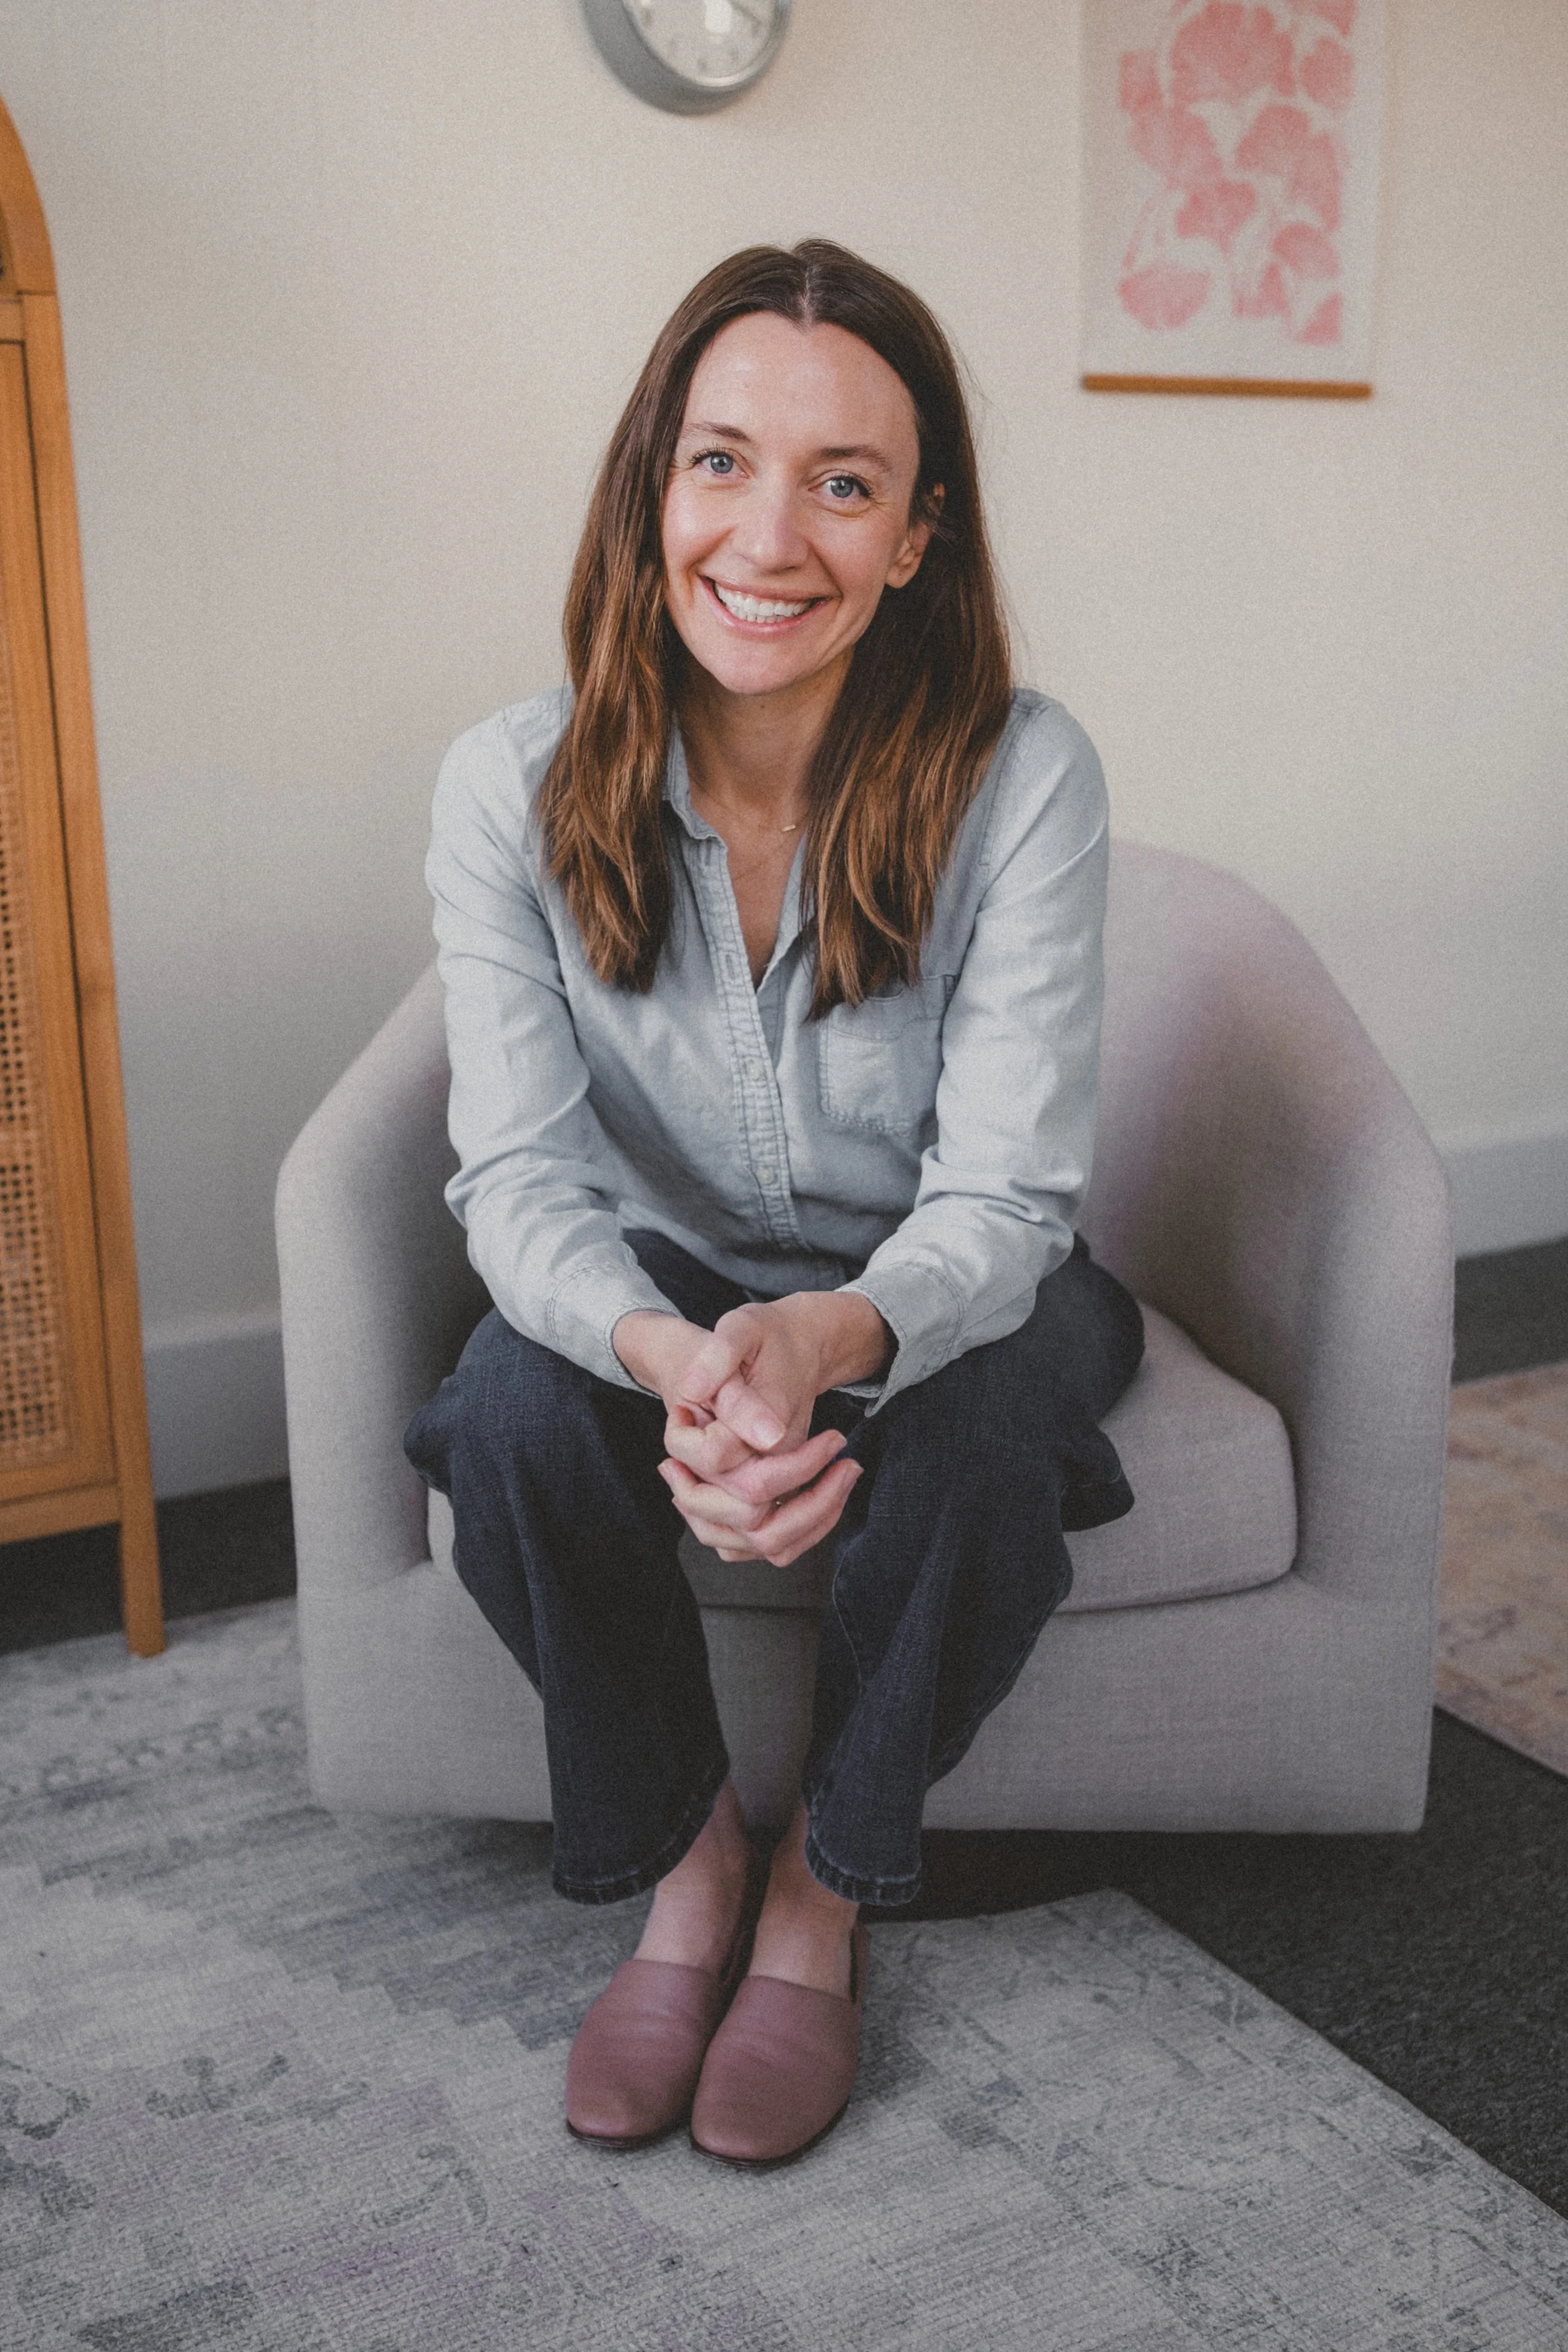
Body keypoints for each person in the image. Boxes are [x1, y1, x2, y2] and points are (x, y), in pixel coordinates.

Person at [405, 239, 1145, 2169]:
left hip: (952, 1288)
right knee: (498, 1403)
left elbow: (1005, 1189)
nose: (771, 531)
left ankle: (819, 1894)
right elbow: (518, 1176)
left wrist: (831, 1338)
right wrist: (670, 1356)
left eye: (843, 480)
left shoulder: (1020, 775)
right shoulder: (509, 785)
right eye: (722, 460)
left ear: (914, 535)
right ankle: (685, 1872)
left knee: (986, 1430)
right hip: (661, 1284)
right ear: (655, 489)